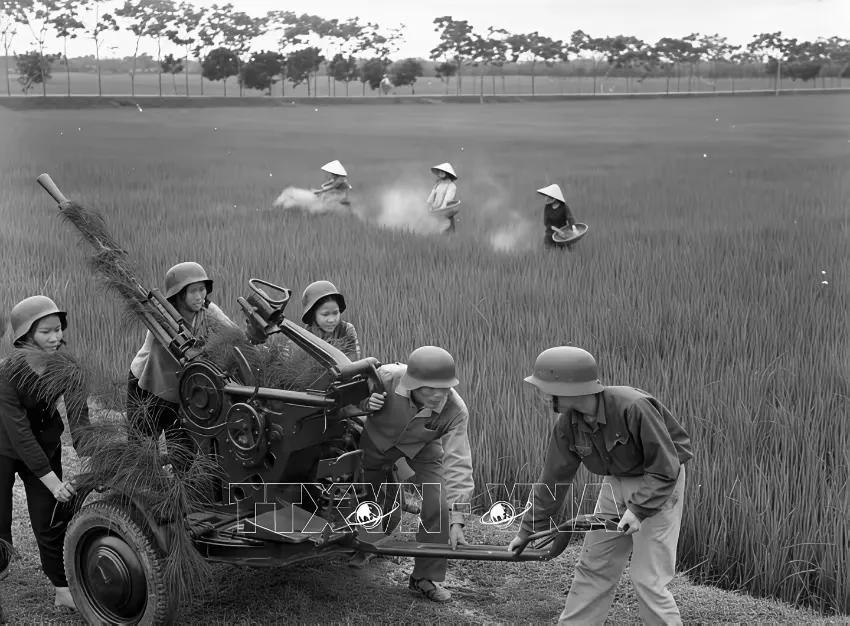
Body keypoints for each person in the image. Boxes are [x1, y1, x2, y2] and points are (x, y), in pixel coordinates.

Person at [508, 346, 693, 625]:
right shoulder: (567, 424)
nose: (542, 396)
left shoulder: (633, 407)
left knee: (648, 579)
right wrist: (529, 528)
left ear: (570, 388)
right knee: (594, 565)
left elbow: (666, 466)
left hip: (657, 485)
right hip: (615, 484)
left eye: (546, 389)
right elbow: (553, 479)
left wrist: (639, 510)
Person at [352, 346, 474, 603]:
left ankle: (423, 578)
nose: (437, 395)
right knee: (369, 492)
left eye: (443, 388)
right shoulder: (386, 377)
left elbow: (459, 464)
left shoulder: (455, 410)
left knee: (438, 505)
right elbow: (346, 399)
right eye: (428, 388)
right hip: (377, 442)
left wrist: (458, 517)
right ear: (412, 384)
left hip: (424, 448)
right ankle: (368, 544)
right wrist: (365, 403)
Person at [0, 296, 92, 610]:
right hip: (4, 447)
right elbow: (19, 434)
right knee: (0, 515)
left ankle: (62, 587)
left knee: (50, 519)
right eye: (45, 332)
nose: (55, 338)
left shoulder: (68, 367)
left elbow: (81, 423)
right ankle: (1, 563)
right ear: (25, 336)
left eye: (57, 330)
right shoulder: (7, 373)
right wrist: (53, 481)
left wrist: (95, 456)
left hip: (45, 445)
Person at [127, 262, 236, 463]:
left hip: (182, 390)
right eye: (193, 291)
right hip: (148, 384)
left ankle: (180, 491)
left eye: (202, 289)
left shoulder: (208, 312)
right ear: (178, 295)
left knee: (183, 452)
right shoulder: (163, 317)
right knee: (141, 449)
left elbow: (233, 334)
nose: (199, 296)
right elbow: (171, 352)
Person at [301, 281, 360, 361]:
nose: (331, 320)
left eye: (335, 313)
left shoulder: (346, 330)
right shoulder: (304, 336)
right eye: (325, 314)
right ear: (313, 315)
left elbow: (353, 363)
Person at [538, 184, 577, 249]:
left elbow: (571, 219)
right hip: (550, 237)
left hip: (563, 237)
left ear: (555, 197)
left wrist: (574, 230)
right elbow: (546, 223)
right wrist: (557, 230)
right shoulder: (547, 207)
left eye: (549, 196)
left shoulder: (564, 207)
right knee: (551, 257)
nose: (547, 198)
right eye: (547, 196)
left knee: (566, 255)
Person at [426, 163, 459, 234]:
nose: (441, 173)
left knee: (447, 232)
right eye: (439, 171)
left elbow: (447, 199)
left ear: (447, 173)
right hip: (435, 212)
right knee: (436, 231)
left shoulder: (451, 186)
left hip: (445, 212)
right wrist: (430, 206)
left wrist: (441, 209)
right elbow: (431, 199)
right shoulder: (438, 185)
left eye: (443, 171)